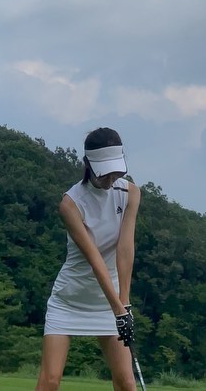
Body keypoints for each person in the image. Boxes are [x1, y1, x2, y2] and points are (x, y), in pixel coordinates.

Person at [36, 127, 141, 391]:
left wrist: (124, 304)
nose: (110, 179)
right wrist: (119, 310)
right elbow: (95, 259)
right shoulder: (70, 204)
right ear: (87, 165)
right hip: (69, 299)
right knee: (50, 380)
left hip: (111, 301)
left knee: (126, 382)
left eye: (116, 172)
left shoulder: (130, 193)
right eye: (104, 173)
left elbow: (125, 248)